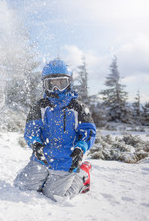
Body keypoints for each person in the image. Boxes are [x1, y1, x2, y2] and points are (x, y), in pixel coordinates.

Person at [14, 58, 96, 201]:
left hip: (67, 160)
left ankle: (82, 175)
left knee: (55, 196)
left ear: (68, 83)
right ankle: (45, 178)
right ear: (45, 85)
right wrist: (36, 144)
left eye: (61, 83)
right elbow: (31, 130)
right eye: (51, 84)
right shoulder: (40, 106)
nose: (56, 89)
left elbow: (88, 133)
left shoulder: (78, 107)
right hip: (43, 157)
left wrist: (80, 148)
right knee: (20, 186)